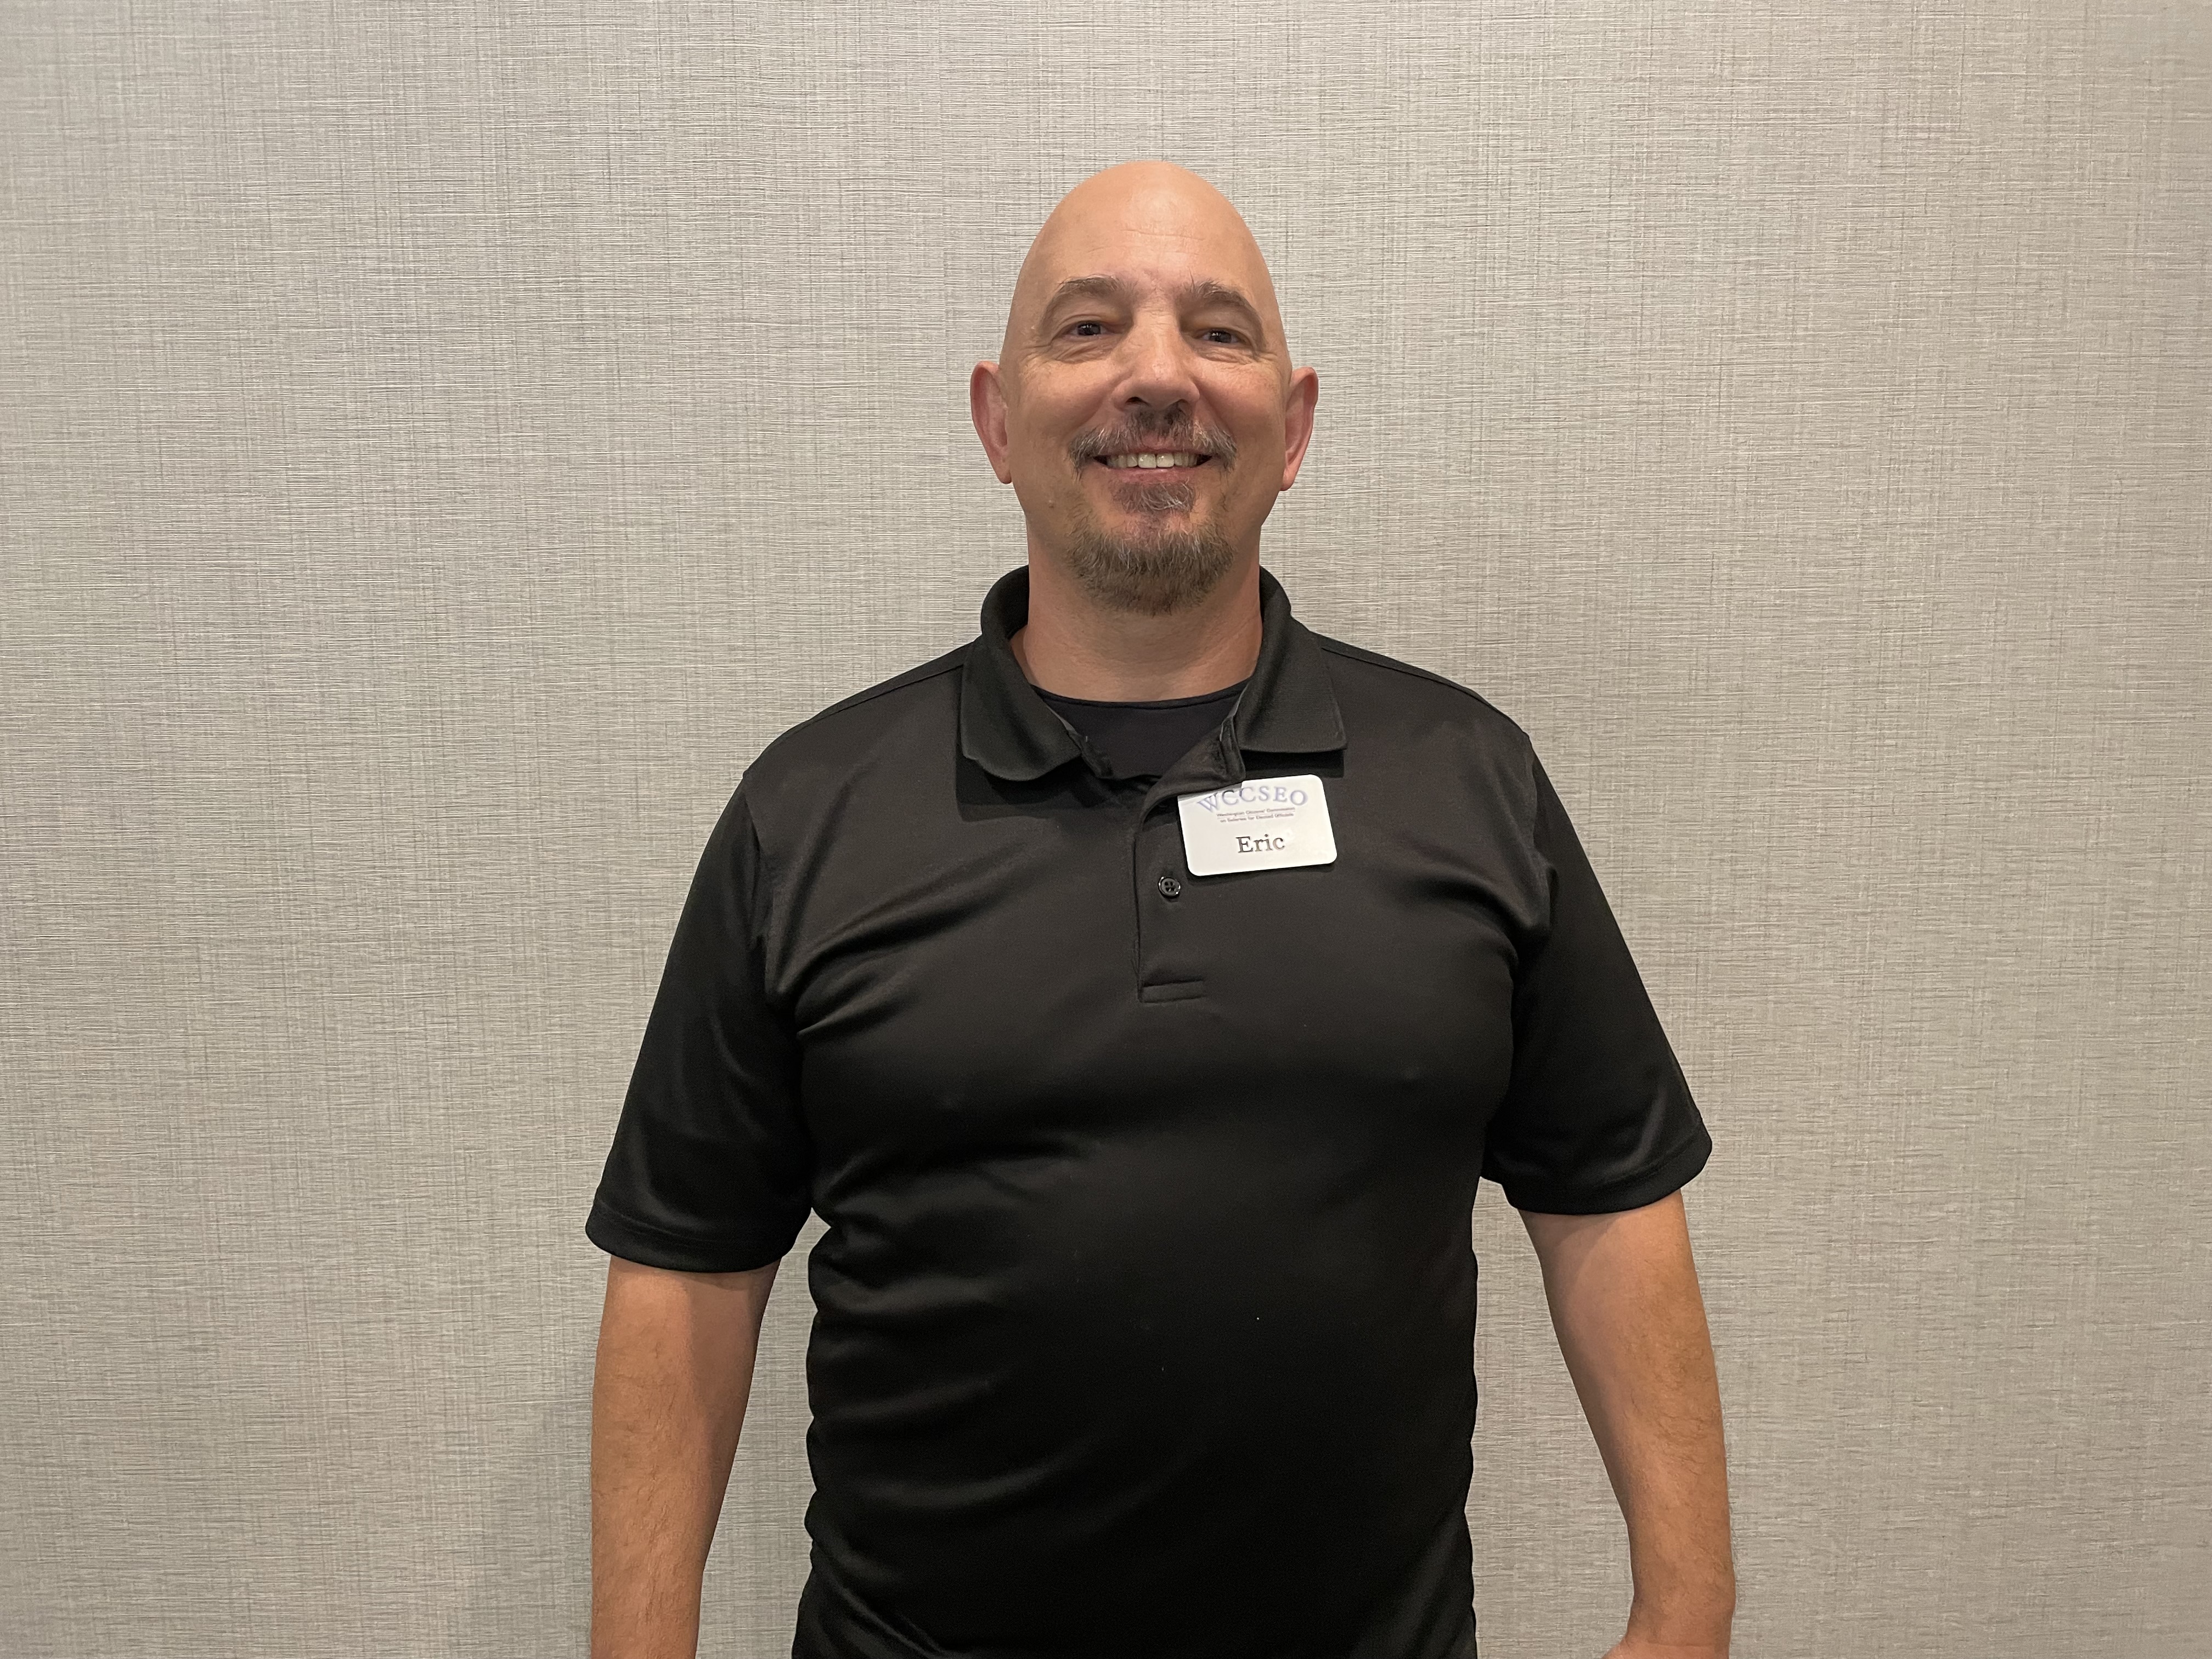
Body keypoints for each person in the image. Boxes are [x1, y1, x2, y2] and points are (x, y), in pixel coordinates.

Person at [586, 161, 1734, 1659]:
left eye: (1217, 330)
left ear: (1295, 422)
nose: (1156, 375)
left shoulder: (1469, 781)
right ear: (998, 419)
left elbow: (1611, 1201)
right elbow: (689, 1270)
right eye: (1089, 329)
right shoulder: (811, 814)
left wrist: (1688, 1609)